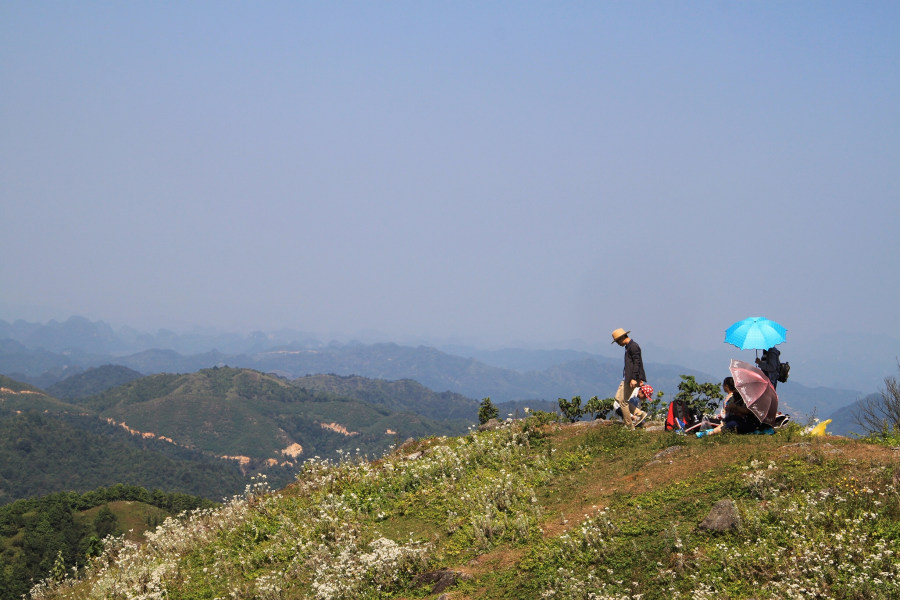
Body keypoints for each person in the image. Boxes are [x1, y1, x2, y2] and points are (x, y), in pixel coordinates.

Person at [611, 328, 646, 429]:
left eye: (617, 341)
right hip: (627, 377)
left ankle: (629, 424)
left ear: (622, 338)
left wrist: (635, 378)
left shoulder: (633, 346)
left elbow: (637, 362)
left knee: (623, 401)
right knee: (618, 398)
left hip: (631, 378)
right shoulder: (629, 347)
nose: (618, 343)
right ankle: (639, 413)